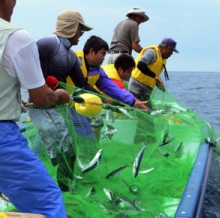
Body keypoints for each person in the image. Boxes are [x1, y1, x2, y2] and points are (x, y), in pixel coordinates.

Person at [0, 1, 68, 217]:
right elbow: (41, 97)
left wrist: (13, 100)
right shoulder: (16, 37)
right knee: (48, 205)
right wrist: (59, 96)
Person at [28, 9, 95, 192]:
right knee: (51, 151)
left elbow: (82, 85)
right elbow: (26, 61)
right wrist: (45, 81)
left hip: (57, 108)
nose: (82, 34)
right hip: (40, 107)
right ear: (71, 27)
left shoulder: (71, 56)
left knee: (66, 151)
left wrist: (112, 101)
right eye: (81, 29)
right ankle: (30, 188)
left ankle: (63, 190)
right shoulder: (49, 43)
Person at [68, 35, 148, 139]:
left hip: (79, 105)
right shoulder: (73, 60)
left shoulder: (97, 70)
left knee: (88, 131)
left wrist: (132, 101)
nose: (104, 58)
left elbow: (110, 87)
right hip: (60, 103)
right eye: (102, 54)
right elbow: (83, 85)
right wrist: (109, 101)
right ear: (92, 51)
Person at [128, 37, 179, 108]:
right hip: (136, 87)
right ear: (165, 47)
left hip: (146, 91)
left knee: (148, 112)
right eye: (171, 50)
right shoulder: (152, 52)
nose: (171, 53)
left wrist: (159, 84)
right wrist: (155, 76)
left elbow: (154, 75)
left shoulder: (162, 60)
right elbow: (141, 65)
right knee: (139, 110)